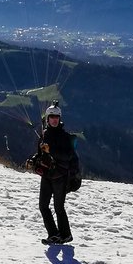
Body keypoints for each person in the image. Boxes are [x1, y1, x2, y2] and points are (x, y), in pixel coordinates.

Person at [26, 103, 80, 244]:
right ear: (48, 119)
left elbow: (68, 156)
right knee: (43, 206)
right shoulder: (44, 135)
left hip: (60, 177)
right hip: (47, 176)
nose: (54, 120)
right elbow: (40, 153)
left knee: (58, 207)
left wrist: (52, 151)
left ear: (59, 118)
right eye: (52, 117)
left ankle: (66, 235)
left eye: (57, 117)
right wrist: (33, 160)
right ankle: (54, 234)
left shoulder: (64, 137)